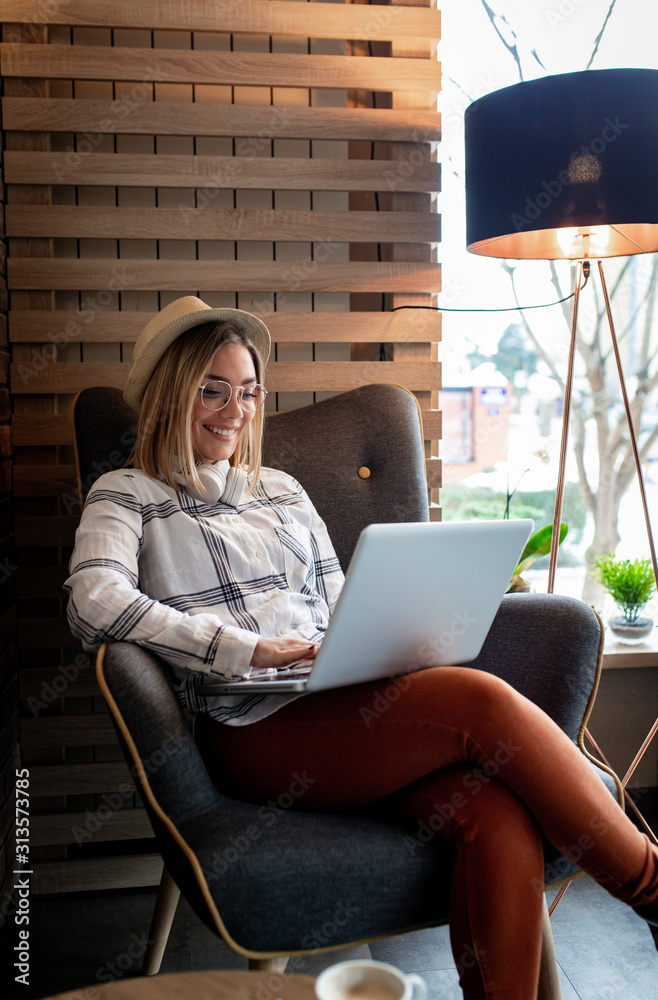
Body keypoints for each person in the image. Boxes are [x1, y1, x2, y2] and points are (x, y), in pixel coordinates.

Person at [65, 296, 658, 1000]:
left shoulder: (281, 491)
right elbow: (91, 601)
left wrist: (392, 633)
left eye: (248, 391)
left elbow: (341, 594)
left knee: (491, 810)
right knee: (479, 700)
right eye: (212, 390)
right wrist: (246, 650)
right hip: (251, 729)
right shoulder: (126, 494)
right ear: (169, 392)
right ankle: (652, 892)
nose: (235, 410)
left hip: (343, 702)